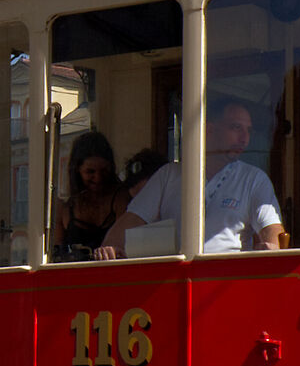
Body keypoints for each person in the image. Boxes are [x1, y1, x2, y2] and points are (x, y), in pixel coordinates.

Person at [98, 94, 286, 258]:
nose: (245, 138)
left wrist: (271, 247)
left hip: (226, 283)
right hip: (174, 282)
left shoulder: (253, 178)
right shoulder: (169, 175)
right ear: (210, 129)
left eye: (248, 130)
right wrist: (110, 247)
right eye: (236, 128)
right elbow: (125, 228)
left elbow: (272, 230)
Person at [53, 131, 130, 261]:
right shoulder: (65, 208)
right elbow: (56, 253)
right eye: (90, 172)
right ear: (77, 170)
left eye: (104, 170)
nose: (98, 178)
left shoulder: (121, 198)